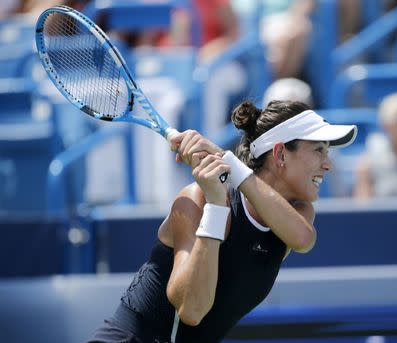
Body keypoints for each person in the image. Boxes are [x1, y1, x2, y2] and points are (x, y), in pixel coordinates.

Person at [86, 100, 357, 343]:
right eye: (319, 150)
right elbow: (191, 311)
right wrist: (216, 205)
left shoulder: (299, 213)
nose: (328, 164)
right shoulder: (197, 199)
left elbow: (303, 240)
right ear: (280, 154)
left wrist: (228, 163)